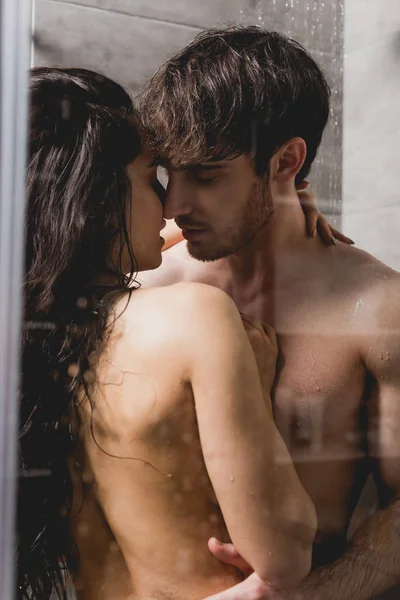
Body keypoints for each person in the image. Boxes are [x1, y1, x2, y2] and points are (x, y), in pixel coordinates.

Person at [19, 66, 319, 600]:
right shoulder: (194, 316)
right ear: (93, 195)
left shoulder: (35, 347)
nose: (169, 203)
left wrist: (282, 204)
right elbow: (285, 554)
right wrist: (257, 376)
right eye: (150, 177)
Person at [139, 26, 400, 600]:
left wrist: (303, 596)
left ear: (287, 161)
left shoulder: (376, 310)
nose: (175, 205)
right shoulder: (149, 281)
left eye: (204, 176)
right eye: (166, 175)